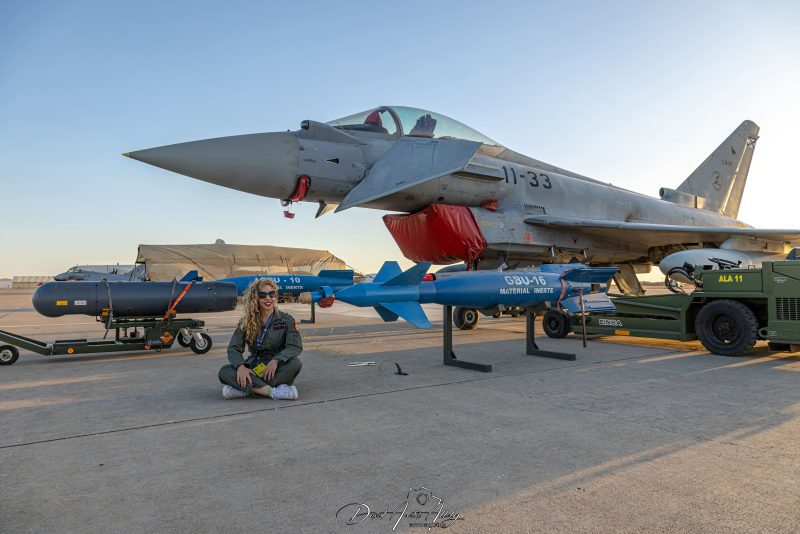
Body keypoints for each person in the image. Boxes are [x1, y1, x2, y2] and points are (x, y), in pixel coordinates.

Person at [217, 278, 303, 400]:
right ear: (255, 298)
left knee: (295, 363)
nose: (268, 298)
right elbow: (233, 348)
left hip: (275, 368)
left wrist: (276, 360)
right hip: (254, 367)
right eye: (262, 295)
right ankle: (272, 392)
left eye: (272, 294)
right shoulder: (246, 321)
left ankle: (244, 389)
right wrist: (241, 367)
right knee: (224, 372)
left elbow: (295, 346)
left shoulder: (287, 320)